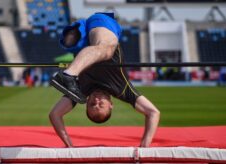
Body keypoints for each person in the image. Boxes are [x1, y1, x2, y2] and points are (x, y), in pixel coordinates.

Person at [50, 13, 160, 148]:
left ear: (86, 103)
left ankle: (68, 73)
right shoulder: (122, 89)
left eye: (91, 105)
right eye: (101, 105)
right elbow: (153, 112)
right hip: (102, 25)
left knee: (69, 41)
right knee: (106, 49)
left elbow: (55, 114)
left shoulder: (80, 91)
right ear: (111, 104)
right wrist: (144, 148)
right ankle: (69, 73)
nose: (96, 101)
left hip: (82, 36)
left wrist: (69, 145)